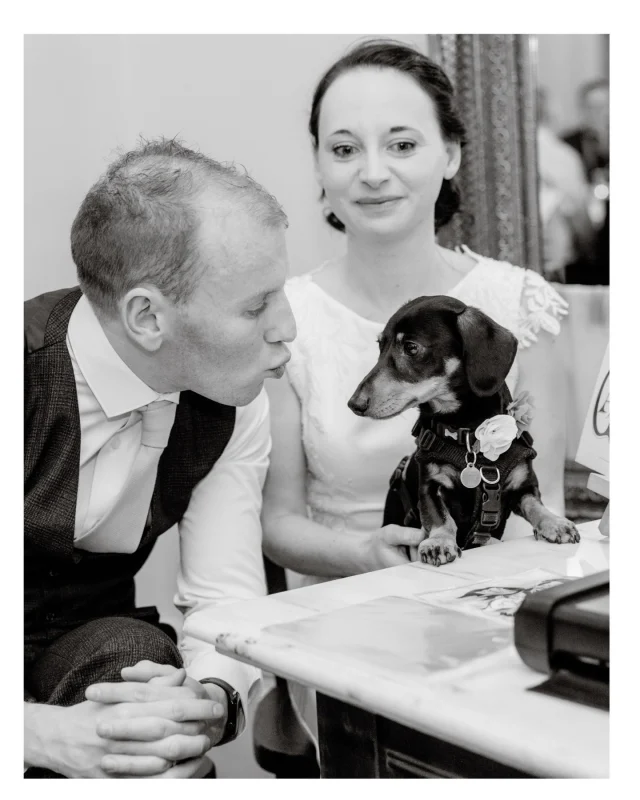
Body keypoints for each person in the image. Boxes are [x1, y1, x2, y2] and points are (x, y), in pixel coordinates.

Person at [261, 40, 570, 744]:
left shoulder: (519, 307)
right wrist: (368, 555)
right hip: (350, 618)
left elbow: (538, 500)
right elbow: (278, 525)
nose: (373, 172)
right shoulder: (287, 320)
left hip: (500, 610)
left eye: (402, 144)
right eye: (344, 149)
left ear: (451, 155)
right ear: (319, 165)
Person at [24, 138, 296, 778]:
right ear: (147, 316)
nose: (286, 327)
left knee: (144, 684)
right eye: (256, 306)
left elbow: (222, 598)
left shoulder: (232, 400)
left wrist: (209, 703)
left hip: (89, 649)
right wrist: (39, 736)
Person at [562, 79, 610, 285]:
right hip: (580, 233)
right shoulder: (566, 144)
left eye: (602, 107)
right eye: (590, 107)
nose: (596, 113)